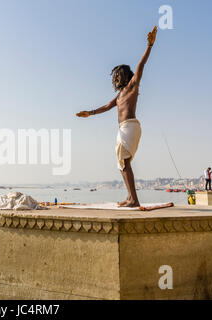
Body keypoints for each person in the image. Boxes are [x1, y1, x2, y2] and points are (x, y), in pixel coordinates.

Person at [76, 26, 157, 207]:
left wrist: (149, 46)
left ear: (126, 76)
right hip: (123, 129)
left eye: (119, 75)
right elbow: (107, 106)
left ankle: (134, 200)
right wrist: (90, 113)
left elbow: (140, 66)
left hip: (130, 126)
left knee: (124, 162)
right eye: (116, 76)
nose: (117, 78)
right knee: (122, 163)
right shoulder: (120, 95)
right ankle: (130, 197)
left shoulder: (131, 88)